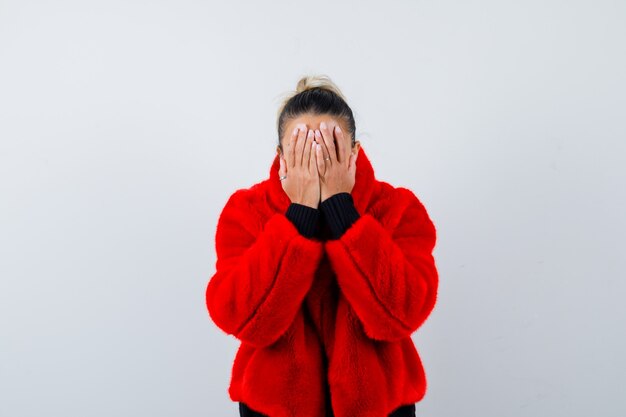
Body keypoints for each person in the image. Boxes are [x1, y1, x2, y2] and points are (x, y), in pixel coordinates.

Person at [206, 74, 439, 417]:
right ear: (281, 155)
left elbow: (404, 313)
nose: (315, 159)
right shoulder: (246, 211)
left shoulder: (397, 208)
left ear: (354, 151)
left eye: (329, 145)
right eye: (301, 147)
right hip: (273, 408)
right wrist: (298, 215)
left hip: (382, 407)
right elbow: (240, 318)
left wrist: (344, 212)